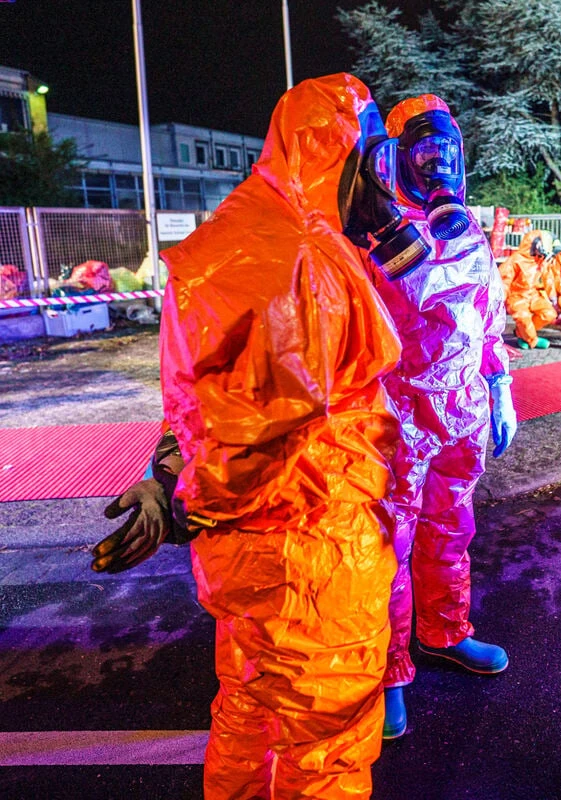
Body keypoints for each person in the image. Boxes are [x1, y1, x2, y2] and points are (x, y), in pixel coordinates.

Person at [96, 74, 410, 799]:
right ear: (338, 152)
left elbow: (207, 401)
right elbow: (262, 431)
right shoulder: (306, 262)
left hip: (244, 554)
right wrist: (182, 500)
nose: (386, 181)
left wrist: (172, 480)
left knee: (249, 712)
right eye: (377, 159)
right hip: (311, 554)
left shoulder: (237, 235)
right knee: (324, 745)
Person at [376, 94, 515, 741]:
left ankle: (442, 633)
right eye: (424, 152)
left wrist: (499, 381)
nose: (439, 166)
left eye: (447, 152)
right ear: (395, 158)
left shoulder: (463, 226)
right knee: (391, 543)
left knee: (450, 527)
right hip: (397, 414)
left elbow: (487, 314)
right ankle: (389, 668)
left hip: (460, 409)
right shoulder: (376, 232)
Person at [499, 229, 558, 350]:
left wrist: (552, 295)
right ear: (535, 243)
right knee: (523, 316)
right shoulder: (516, 259)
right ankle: (533, 340)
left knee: (549, 314)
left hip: (533, 295)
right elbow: (504, 279)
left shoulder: (540, 259)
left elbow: (548, 277)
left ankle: (522, 333)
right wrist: (501, 297)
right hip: (516, 297)